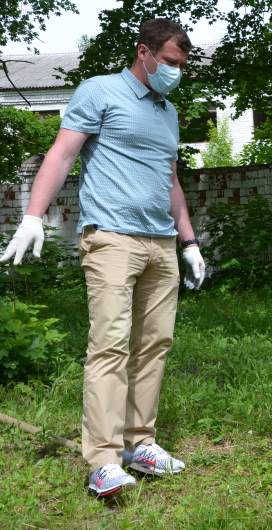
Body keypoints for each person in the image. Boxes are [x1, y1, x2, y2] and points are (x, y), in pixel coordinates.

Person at [0, 19, 206, 497]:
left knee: (155, 345)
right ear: (144, 53)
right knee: (110, 347)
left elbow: (170, 179)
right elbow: (62, 154)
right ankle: (104, 460)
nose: (175, 72)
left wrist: (190, 242)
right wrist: (33, 215)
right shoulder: (99, 91)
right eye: (170, 63)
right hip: (111, 239)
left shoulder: (168, 110)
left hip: (160, 243)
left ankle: (141, 442)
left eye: (182, 66)